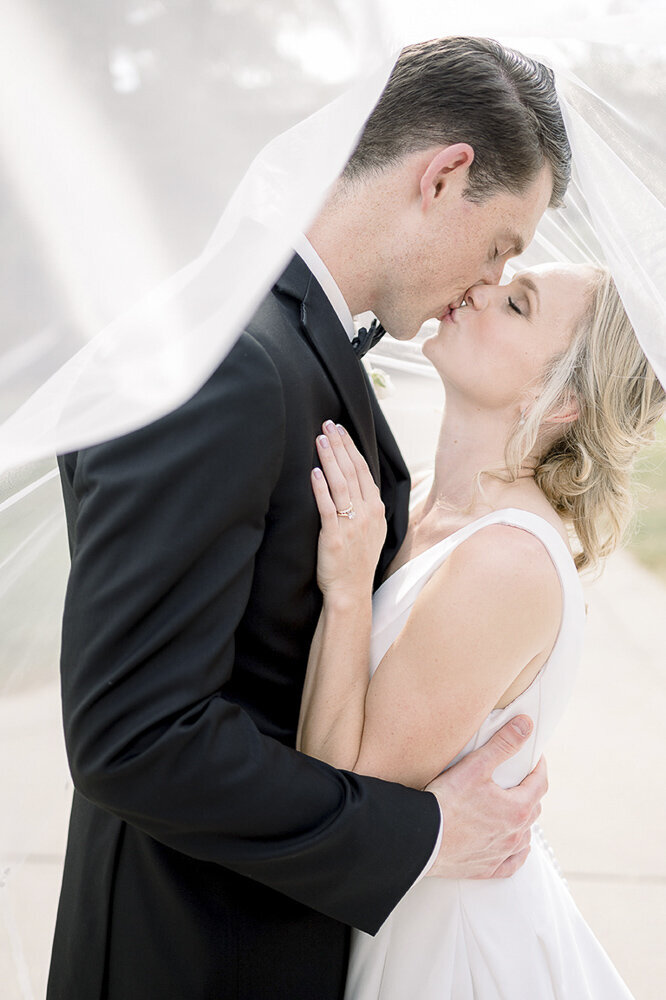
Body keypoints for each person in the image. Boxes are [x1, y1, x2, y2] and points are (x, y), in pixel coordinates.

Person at [47, 38, 571, 1000]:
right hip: (193, 953)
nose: (486, 282)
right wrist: (424, 834)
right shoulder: (230, 361)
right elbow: (137, 735)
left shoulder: (292, 341)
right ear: (445, 175)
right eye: (500, 245)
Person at [300, 262, 666, 998]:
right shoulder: (433, 502)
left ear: (557, 398)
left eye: (517, 305)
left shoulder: (506, 561)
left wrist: (346, 594)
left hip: (453, 956)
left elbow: (342, 806)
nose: (475, 288)